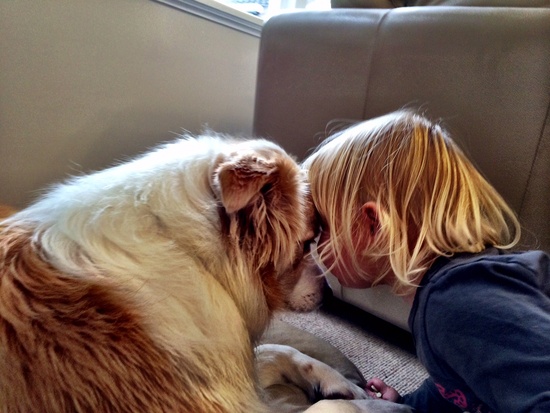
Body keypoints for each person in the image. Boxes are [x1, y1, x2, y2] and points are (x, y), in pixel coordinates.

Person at [302, 110, 550, 413]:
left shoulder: (457, 303)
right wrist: (408, 405)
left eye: (324, 227)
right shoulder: (452, 300)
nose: (317, 244)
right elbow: (459, 383)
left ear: (373, 225)